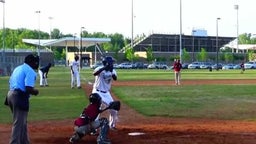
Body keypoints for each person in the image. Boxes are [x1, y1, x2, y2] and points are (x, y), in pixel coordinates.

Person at [5, 54, 39, 144]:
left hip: (10, 95)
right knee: (18, 122)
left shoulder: (18, 68)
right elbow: (28, 88)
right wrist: (35, 92)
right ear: (31, 62)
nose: (36, 63)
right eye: (35, 61)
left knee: (22, 121)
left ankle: (25, 141)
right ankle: (14, 142)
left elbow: (10, 81)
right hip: (19, 96)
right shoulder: (30, 71)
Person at [92, 56, 118, 130]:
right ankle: (94, 128)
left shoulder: (112, 70)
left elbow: (115, 78)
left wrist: (112, 72)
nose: (112, 64)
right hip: (97, 92)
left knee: (114, 109)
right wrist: (104, 68)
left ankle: (112, 125)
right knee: (97, 110)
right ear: (107, 63)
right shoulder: (99, 69)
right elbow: (94, 73)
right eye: (111, 63)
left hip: (106, 93)